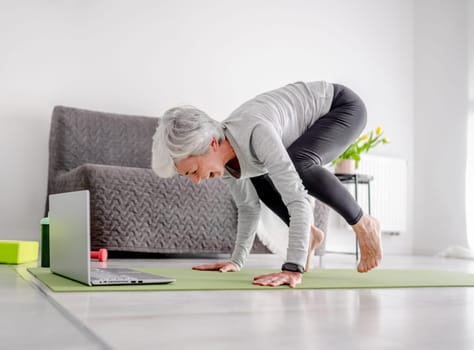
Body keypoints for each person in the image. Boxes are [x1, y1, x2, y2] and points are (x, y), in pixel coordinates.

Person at [152, 81, 382, 288]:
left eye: (193, 170)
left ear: (212, 143)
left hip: (342, 107)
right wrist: (236, 260)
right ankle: (309, 235)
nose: (196, 180)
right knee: (260, 181)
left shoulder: (255, 132)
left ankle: (364, 224)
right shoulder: (227, 163)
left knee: (299, 164)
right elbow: (248, 207)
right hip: (309, 125)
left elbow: (297, 198)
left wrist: (292, 268)